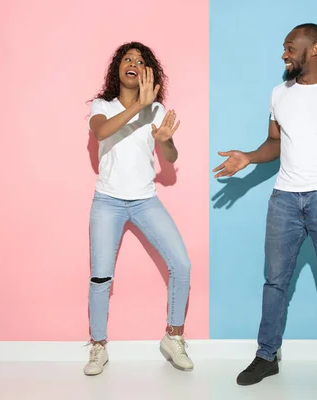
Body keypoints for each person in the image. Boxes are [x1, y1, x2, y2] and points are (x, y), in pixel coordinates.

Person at [213, 23, 317, 394]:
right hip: (284, 198)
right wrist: (250, 158)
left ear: (313, 48)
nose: (284, 54)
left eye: (289, 47)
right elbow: (274, 142)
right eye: (284, 48)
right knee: (274, 282)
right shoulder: (279, 93)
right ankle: (267, 356)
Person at [84, 41, 193, 376]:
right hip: (108, 201)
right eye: (126, 58)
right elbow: (101, 130)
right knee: (101, 276)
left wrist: (164, 140)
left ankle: (173, 338)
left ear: (148, 71)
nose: (132, 62)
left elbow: (171, 158)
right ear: (118, 68)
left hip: (146, 200)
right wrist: (139, 107)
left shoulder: (157, 110)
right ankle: (98, 346)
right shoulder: (102, 105)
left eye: (140, 60)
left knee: (182, 265)